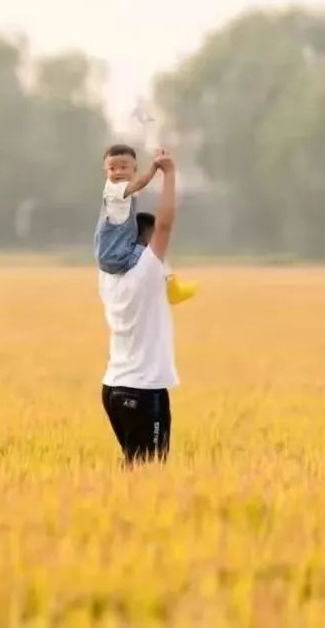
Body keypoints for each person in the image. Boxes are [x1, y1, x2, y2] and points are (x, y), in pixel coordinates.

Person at [99, 151, 181, 465]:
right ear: (145, 243)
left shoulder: (106, 275)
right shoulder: (146, 270)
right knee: (152, 471)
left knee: (132, 469)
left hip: (113, 388)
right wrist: (169, 174)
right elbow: (165, 226)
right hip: (144, 390)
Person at [95, 143, 196, 305]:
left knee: (148, 229)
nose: (118, 172)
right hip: (117, 257)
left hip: (114, 254)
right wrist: (155, 167)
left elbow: (140, 184)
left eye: (123, 167)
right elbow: (141, 182)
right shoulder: (114, 189)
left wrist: (158, 159)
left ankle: (169, 283)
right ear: (105, 171)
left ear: (134, 169)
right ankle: (171, 288)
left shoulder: (124, 189)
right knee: (154, 250)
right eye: (112, 169)